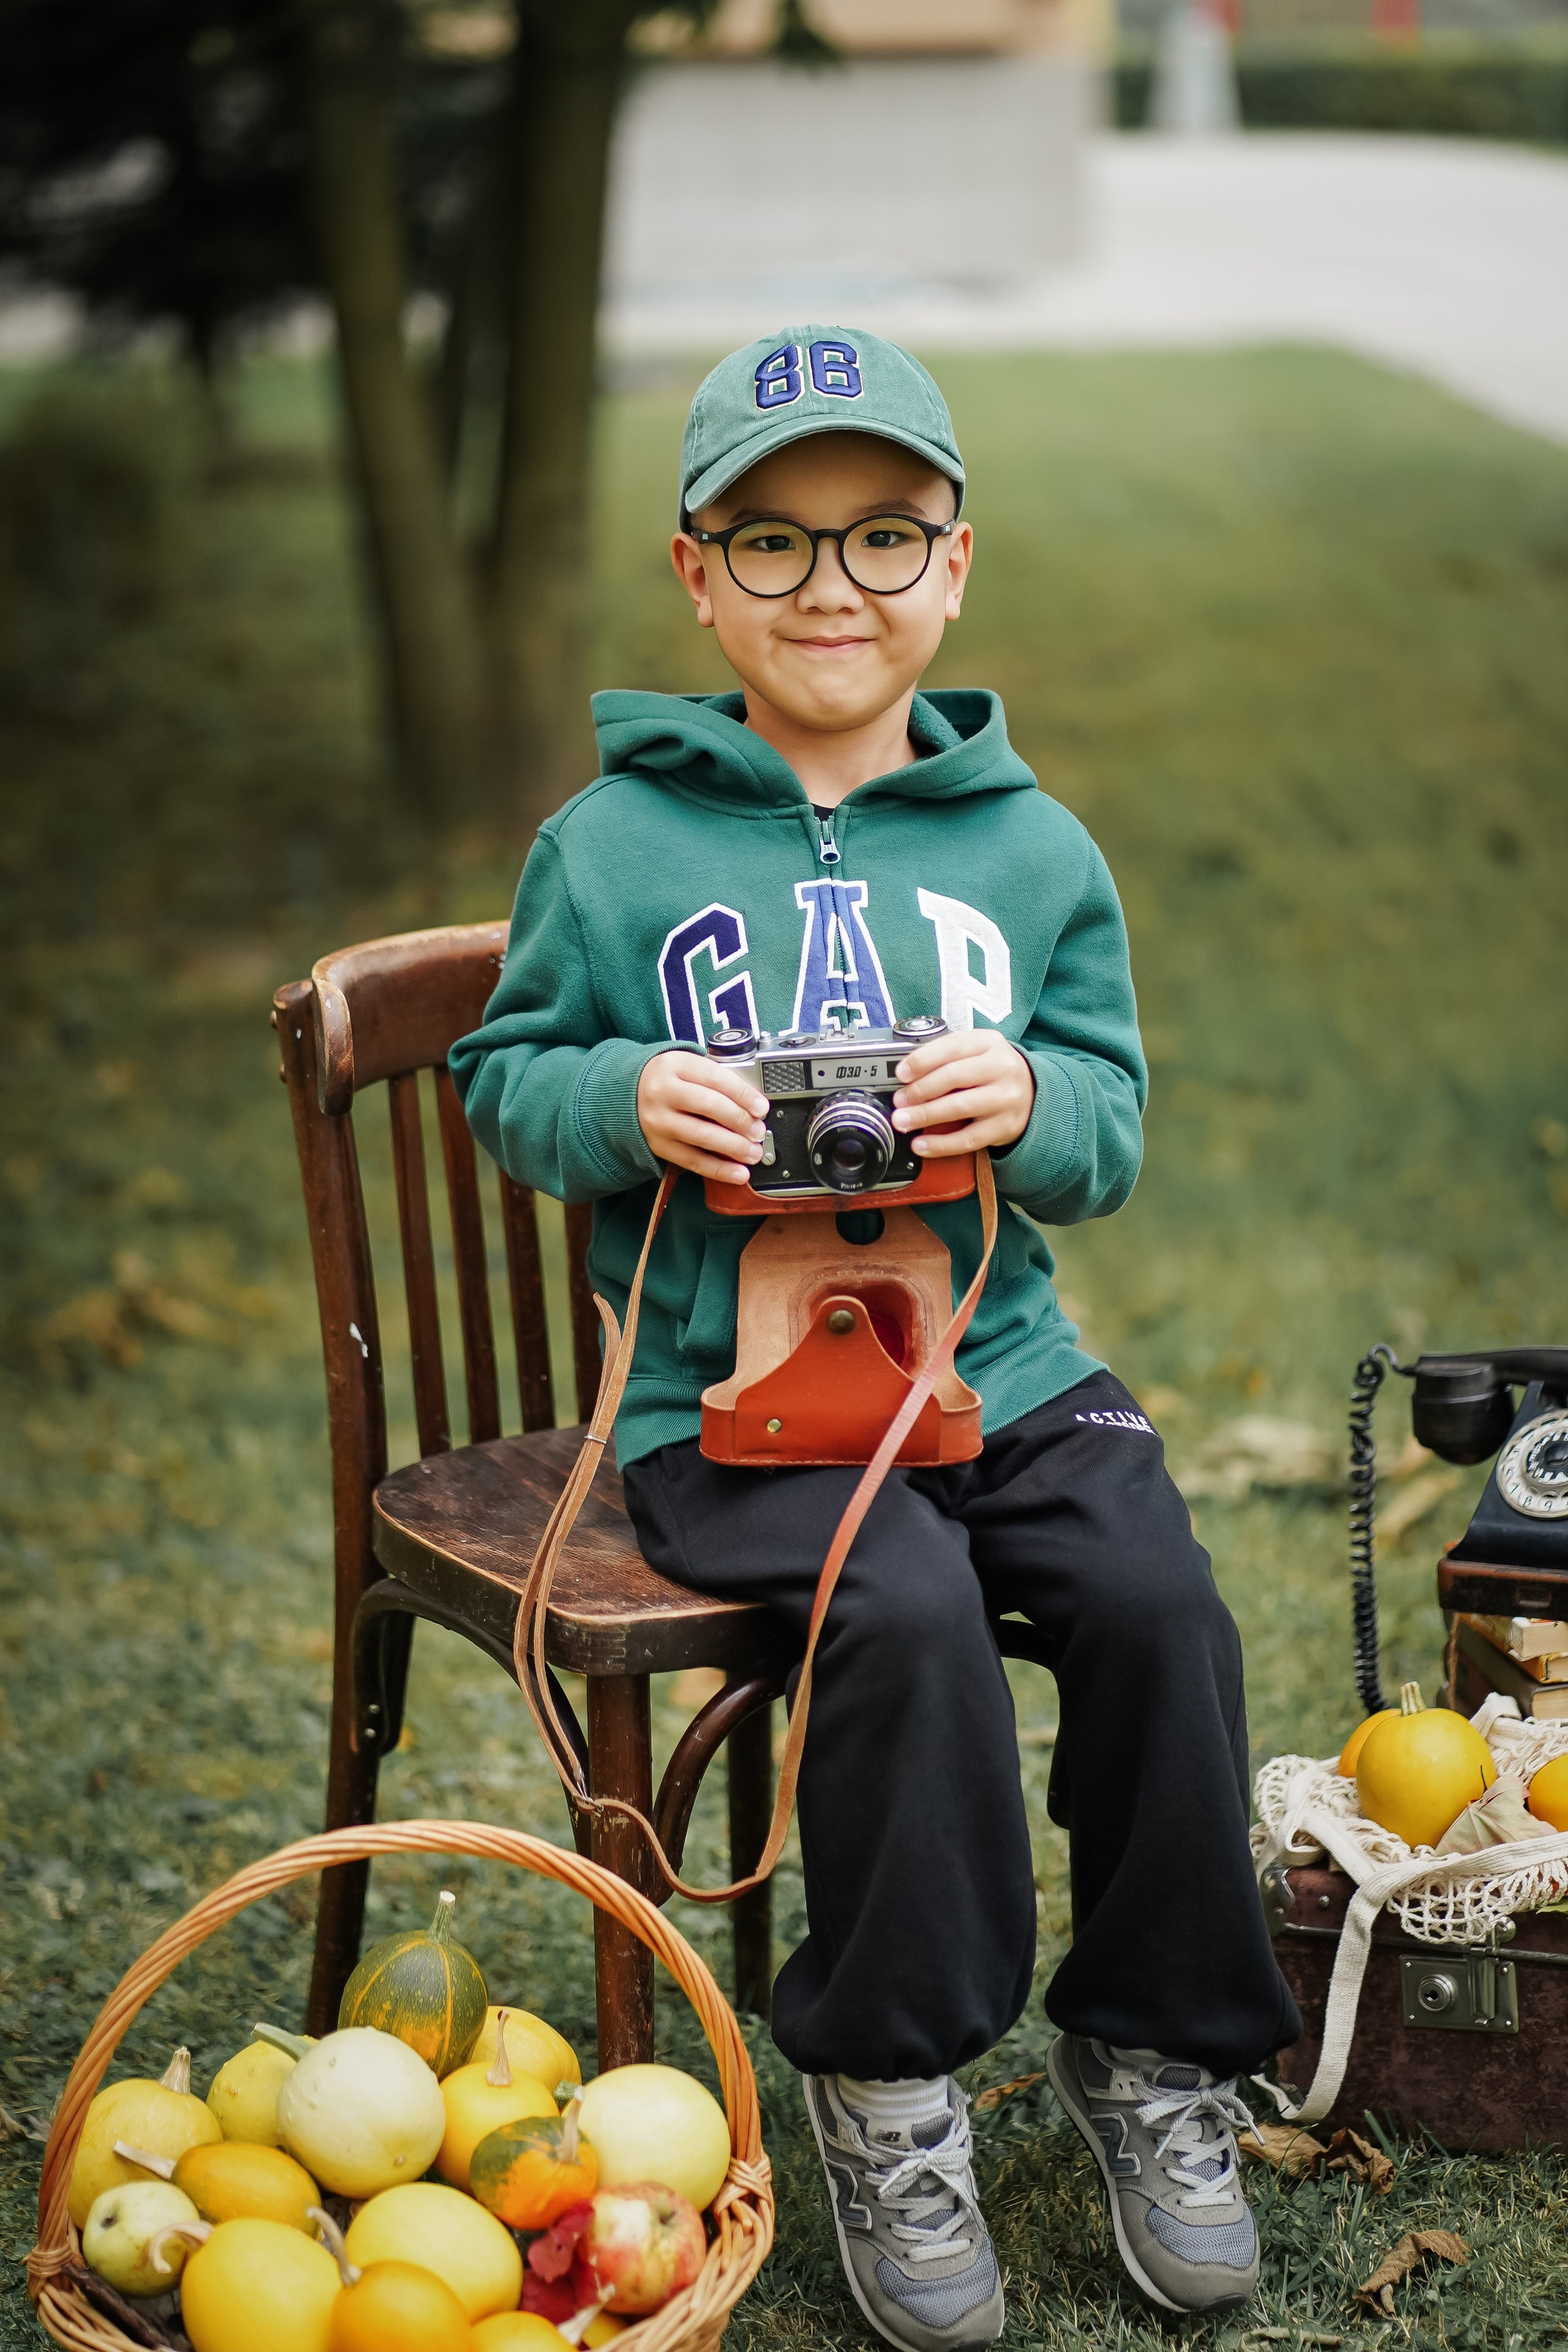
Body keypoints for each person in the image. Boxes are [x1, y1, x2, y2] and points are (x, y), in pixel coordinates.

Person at [451, 327, 1299, 2350]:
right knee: (904, 1619)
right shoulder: (613, 845)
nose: (831, 585)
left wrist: (1035, 1100)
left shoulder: (1033, 849)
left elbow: (1108, 1129)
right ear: (695, 575)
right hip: (731, 1407)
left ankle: (1158, 2054)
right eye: (772, 542)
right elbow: (508, 1069)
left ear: (955, 563)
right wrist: (614, 1097)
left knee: (1163, 1602)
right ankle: (892, 2075)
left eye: (881, 535)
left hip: (993, 1369)